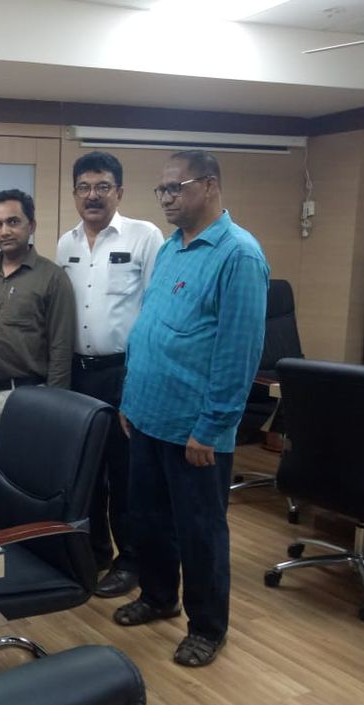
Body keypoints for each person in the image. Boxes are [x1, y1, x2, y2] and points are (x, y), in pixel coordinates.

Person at [114, 150, 268, 668]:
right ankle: (159, 596)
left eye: (174, 188)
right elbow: (149, 328)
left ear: (210, 185)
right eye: (161, 189)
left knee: (201, 531)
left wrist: (213, 426)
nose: (165, 198)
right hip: (147, 415)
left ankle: (207, 627)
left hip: (194, 431)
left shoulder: (239, 256)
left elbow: (238, 353)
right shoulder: (172, 249)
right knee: (149, 519)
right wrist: (130, 399)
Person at [56, 152, 164, 598]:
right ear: (74, 194)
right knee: (87, 472)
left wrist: (139, 383)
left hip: (124, 372)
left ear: (119, 192)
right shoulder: (65, 244)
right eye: (84, 187)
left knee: (125, 475)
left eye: (102, 187)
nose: (93, 196)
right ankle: (97, 550)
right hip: (79, 374)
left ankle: (131, 560)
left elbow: (156, 313)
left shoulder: (145, 236)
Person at [0, 188, 75, 529]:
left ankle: (23, 544)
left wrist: (53, 407)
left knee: (24, 475)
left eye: (13, 222)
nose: (4, 231)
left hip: (28, 396)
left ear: (31, 225)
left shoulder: (52, 277)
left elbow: (61, 347)